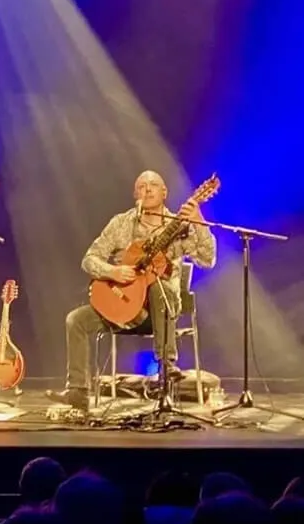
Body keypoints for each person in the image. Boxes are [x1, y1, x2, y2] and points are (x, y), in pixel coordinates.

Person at [48, 170, 217, 411]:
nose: (147, 189)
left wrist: (198, 220)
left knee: (161, 291)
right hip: (123, 305)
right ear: (135, 193)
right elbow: (89, 259)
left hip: (160, 313)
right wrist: (112, 272)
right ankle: (77, 391)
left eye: (153, 185)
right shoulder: (121, 223)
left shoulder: (180, 226)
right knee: (75, 320)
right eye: (141, 186)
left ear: (164, 192)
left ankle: (167, 368)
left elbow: (208, 259)